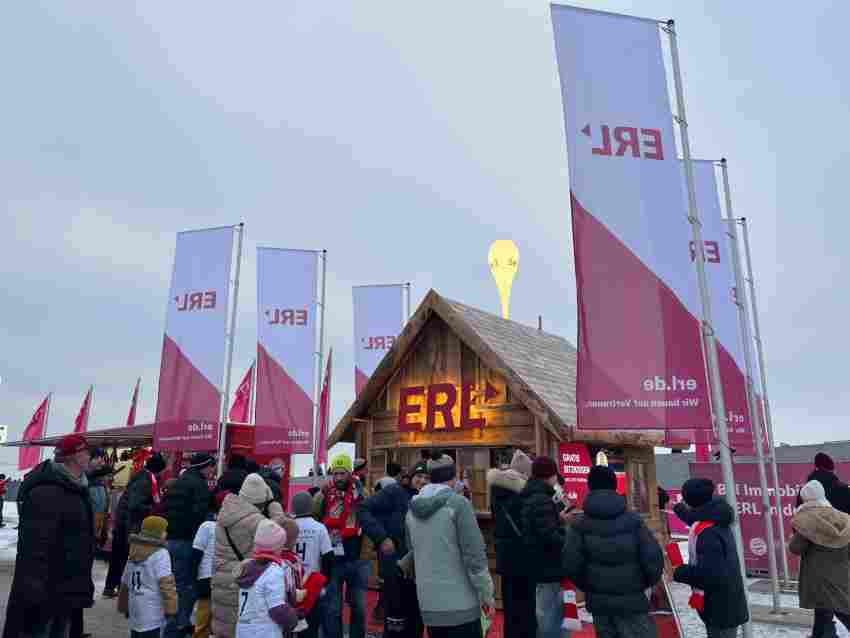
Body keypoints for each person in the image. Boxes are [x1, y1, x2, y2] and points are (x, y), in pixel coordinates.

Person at [2, 434, 95, 638]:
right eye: (86, 451)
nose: (90, 455)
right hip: (46, 593)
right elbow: (35, 550)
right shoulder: (47, 492)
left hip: (67, 587)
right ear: (73, 457)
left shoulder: (76, 488)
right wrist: (35, 592)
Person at [562, 466, 664, 638]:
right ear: (615, 485)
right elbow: (653, 560)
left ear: (590, 486)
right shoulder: (633, 521)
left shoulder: (579, 525)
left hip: (600, 605)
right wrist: (642, 584)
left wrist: (590, 585)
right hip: (632, 601)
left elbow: (570, 564)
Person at [406, 454, 494, 638]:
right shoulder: (459, 505)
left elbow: (413, 552)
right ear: (453, 478)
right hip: (462, 606)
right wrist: (486, 594)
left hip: (429, 605)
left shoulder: (412, 510)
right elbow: (474, 555)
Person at [359, 460, 429, 638]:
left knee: (416, 624)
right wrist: (381, 538)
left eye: (427, 478)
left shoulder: (430, 499)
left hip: (421, 572)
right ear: (410, 477)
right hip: (395, 569)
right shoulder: (394, 492)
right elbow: (364, 509)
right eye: (419, 476)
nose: (422, 481)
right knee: (395, 625)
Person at [672, 478, 749, 638]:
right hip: (726, 601)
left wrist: (678, 571)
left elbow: (710, 576)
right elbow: (694, 517)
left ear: (689, 500)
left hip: (720, 607)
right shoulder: (714, 516)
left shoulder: (706, 532)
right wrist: (677, 508)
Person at [212, 473, 285, 638]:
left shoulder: (226, 512)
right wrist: (275, 509)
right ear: (261, 502)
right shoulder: (256, 521)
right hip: (241, 583)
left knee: (224, 627)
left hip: (222, 580)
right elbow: (278, 534)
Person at [314, 454, 369, 638]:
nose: (338, 478)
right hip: (333, 559)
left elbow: (370, 517)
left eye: (342, 473)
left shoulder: (362, 492)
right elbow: (314, 517)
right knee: (332, 608)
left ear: (350, 473)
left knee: (359, 608)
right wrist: (318, 494)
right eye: (335, 474)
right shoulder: (324, 494)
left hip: (358, 558)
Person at [163, 453, 216, 638]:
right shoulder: (199, 485)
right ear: (203, 466)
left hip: (170, 540)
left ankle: (170, 624)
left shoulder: (178, 481)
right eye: (211, 466)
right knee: (186, 588)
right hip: (186, 541)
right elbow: (198, 515)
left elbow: (166, 508)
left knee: (174, 585)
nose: (212, 470)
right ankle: (177, 628)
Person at [789, 479, 850, 638]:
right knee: (826, 609)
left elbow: (795, 548)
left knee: (839, 609)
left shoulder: (806, 520)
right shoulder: (843, 517)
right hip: (842, 571)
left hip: (818, 574)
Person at [106, 453, 168, 598]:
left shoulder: (141, 477)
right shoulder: (145, 480)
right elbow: (135, 505)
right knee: (125, 558)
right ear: (158, 470)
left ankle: (111, 587)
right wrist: (152, 510)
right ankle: (122, 591)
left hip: (124, 522)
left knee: (118, 556)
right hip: (129, 525)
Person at [487, 450, 535, 638]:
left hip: (505, 555)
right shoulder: (524, 494)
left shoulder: (496, 490)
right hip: (524, 554)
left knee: (510, 605)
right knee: (527, 606)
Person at [520, 456, 566, 638]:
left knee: (547, 614)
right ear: (550, 475)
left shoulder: (532, 495)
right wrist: (567, 535)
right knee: (550, 618)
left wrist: (559, 519)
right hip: (548, 567)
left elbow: (541, 528)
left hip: (538, 565)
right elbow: (549, 536)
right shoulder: (543, 499)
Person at [235, 519, 300, 638]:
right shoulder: (273, 571)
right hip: (264, 631)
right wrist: (293, 618)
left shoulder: (248, 568)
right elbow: (277, 608)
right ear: (275, 548)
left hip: (243, 629)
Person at [118, 515, 178, 638]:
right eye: (164, 530)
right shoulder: (161, 554)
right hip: (152, 611)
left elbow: (125, 582)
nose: (166, 533)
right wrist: (171, 609)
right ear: (159, 533)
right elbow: (166, 584)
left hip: (134, 606)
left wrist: (123, 605)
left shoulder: (133, 551)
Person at [291, 492, 335, 638]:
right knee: (311, 627)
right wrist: (324, 583)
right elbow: (328, 557)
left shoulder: (289, 527)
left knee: (290, 628)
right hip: (312, 585)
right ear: (311, 506)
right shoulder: (319, 528)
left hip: (291, 584)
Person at [191, 497, 220, 638]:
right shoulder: (233, 527)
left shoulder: (207, 526)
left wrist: (192, 576)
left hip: (206, 577)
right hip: (225, 579)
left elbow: (196, 554)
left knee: (202, 621)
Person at [87, 449, 113, 544]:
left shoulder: (101, 486)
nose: (101, 462)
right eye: (99, 458)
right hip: (89, 525)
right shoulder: (86, 481)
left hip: (97, 522)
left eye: (102, 459)